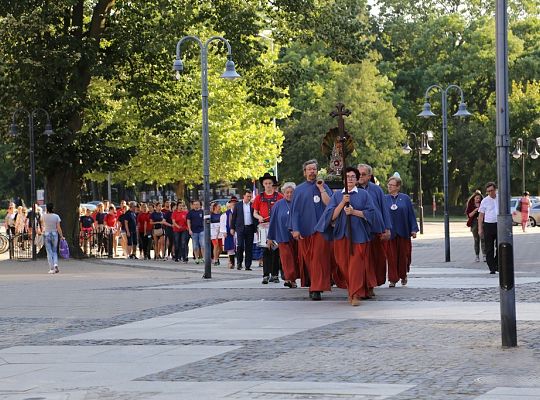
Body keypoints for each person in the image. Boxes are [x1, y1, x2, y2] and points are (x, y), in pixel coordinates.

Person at [316, 167, 375, 306]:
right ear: (344, 179)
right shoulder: (337, 196)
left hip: (359, 235)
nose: (350, 179)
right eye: (347, 176)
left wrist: (354, 212)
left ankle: (355, 294)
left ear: (356, 179)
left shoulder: (364, 194)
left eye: (353, 176)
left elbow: (371, 214)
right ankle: (352, 288)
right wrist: (342, 202)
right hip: (341, 235)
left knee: (356, 265)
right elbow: (331, 216)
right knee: (344, 265)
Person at [290, 159, 333, 301]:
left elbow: (330, 204)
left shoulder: (324, 186)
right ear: (305, 172)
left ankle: (316, 288)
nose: (312, 172)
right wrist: (295, 229)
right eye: (309, 169)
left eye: (314, 169)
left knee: (319, 258)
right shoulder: (299, 190)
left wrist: (321, 189)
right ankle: (313, 284)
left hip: (321, 229)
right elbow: (294, 211)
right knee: (309, 259)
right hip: (304, 230)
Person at [357, 163, 392, 293]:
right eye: (358, 174)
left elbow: (384, 210)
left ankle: (371, 286)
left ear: (369, 176)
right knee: (361, 261)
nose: (360, 177)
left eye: (363, 174)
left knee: (375, 260)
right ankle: (361, 286)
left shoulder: (376, 190)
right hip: (359, 230)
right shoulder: (352, 189)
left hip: (375, 229)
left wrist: (387, 228)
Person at [385, 175, 419, 287]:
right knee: (391, 256)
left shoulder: (405, 198)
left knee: (404, 256)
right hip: (390, 233)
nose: (389, 187)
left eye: (392, 185)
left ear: (398, 187)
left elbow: (411, 214)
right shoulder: (385, 198)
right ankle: (392, 279)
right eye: (388, 185)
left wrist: (413, 229)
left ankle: (403, 275)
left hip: (404, 231)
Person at [253, 173, 284, 284]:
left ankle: (275, 275)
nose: (268, 185)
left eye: (270, 183)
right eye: (266, 183)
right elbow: (255, 213)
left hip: (276, 226)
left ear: (273, 184)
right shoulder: (259, 197)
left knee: (276, 251)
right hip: (264, 226)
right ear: (263, 184)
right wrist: (259, 217)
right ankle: (266, 274)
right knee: (266, 251)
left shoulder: (280, 196)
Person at [268, 182, 300, 288]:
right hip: (283, 236)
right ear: (283, 193)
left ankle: (296, 278)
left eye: (291, 192)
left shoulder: (299, 203)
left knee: (297, 258)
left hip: (298, 237)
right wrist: (270, 237)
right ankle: (289, 279)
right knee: (287, 259)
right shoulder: (277, 205)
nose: (289, 194)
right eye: (287, 192)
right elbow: (272, 221)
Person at [231, 190, 258, 271]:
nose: (249, 198)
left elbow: (255, 217)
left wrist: (256, 228)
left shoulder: (253, 205)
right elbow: (234, 217)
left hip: (250, 228)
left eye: (250, 196)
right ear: (244, 196)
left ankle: (248, 265)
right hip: (240, 228)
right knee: (240, 246)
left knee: (249, 247)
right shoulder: (238, 205)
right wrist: (232, 228)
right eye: (247, 196)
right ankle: (239, 263)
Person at [478, 182, 499, 274]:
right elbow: (481, 216)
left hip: (499, 224)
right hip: (488, 225)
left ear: (495, 189)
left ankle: (496, 263)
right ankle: (492, 267)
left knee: (500, 246)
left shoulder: (500, 198)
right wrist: (480, 228)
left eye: (491, 190)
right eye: (488, 191)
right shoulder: (485, 201)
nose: (490, 193)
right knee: (489, 248)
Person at [41, 203, 64, 274]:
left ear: (47, 208)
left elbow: (42, 225)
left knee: (49, 252)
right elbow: (58, 227)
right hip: (54, 234)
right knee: (54, 251)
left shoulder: (43, 216)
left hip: (47, 234)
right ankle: (55, 264)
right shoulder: (56, 216)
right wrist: (61, 236)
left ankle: (51, 268)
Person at [465, 190, 486, 262]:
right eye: (477, 198)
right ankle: (477, 256)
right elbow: (469, 215)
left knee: (483, 239)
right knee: (476, 240)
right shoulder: (470, 205)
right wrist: (475, 210)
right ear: (474, 198)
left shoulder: (483, 204)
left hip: (482, 223)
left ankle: (484, 255)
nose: (478, 199)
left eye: (479, 198)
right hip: (474, 223)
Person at [219, 196, 237, 268]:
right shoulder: (226, 214)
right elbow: (223, 223)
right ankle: (232, 263)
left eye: (235, 203)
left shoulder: (239, 212)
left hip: (238, 232)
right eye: (232, 204)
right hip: (229, 232)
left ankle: (238, 262)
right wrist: (224, 231)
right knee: (231, 248)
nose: (234, 205)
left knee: (238, 247)